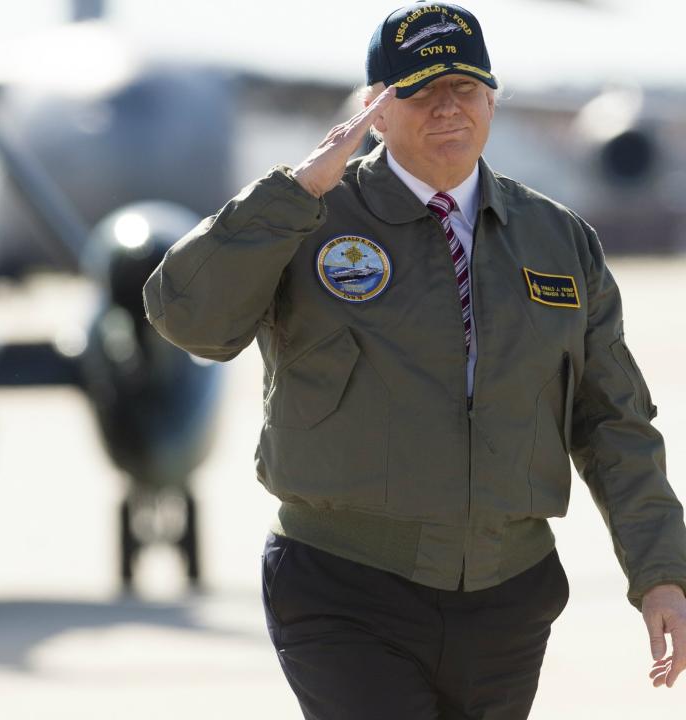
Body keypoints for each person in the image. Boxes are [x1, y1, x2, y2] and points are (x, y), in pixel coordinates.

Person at [142, 2, 686, 717]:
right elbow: (189, 319)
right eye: (421, 89)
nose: (447, 108)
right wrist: (293, 192)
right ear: (375, 108)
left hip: (509, 596)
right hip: (345, 587)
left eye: (465, 87)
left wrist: (661, 571)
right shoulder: (308, 218)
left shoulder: (558, 241)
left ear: (492, 98)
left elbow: (614, 419)